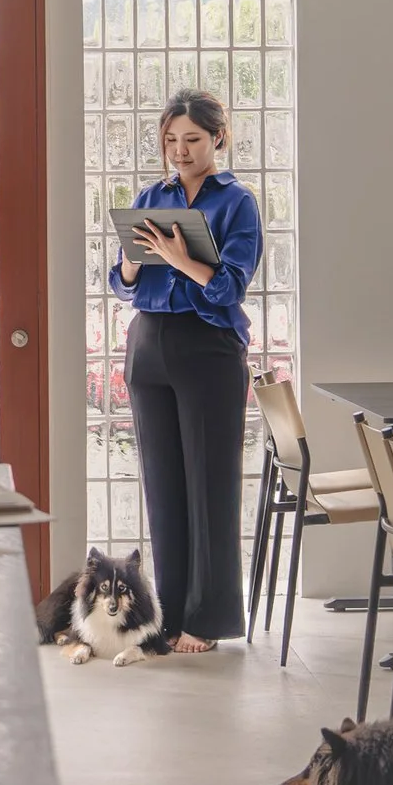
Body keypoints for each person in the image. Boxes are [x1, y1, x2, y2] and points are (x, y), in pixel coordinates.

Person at [112, 89, 263, 654]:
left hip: (209, 348)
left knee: (211, 484)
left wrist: (180, 258)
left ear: (217, 138)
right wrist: (130, 262)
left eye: (192, 140)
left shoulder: (237, 202)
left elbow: (228, 286)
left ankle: (208, 618)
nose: (180, 150)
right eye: (171, 140)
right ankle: (169, 616)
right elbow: (120, 282)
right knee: (163, 484)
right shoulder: (152, 195)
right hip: (148, 343)